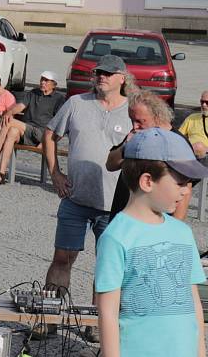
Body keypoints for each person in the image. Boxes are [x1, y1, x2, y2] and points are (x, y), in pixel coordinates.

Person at [39, 55, 134, 340]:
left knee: (106, 266)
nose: (100, 76)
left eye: (107, 73)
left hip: (114, 206)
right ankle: (49, 317)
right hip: (75, 198)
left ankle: (96, 324)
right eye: (97, 72)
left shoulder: (133, 111)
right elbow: (49, 135)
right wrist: (55, 173)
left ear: (122, 78)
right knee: (62, 257)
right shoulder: (76, 103)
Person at [95, 128, 206, 357]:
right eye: (180, 183)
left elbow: (193, 302)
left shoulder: (182, 232)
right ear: (147, 181)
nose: (187, 192)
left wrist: (201, 351)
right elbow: (107, 312)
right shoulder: (116, 237)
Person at [106, 90, 195, 222]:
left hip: (156, 222)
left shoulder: (177, 142)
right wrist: (125, 146)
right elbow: (110, 164)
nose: (134, 126)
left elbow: (185, 189)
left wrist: (176, 228)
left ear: (157, 116)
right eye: (132, 120)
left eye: (140, 121)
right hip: (124, 216)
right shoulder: (136, 135)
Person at [0, 71, 65, 184]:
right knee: (12, 132)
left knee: (9, 122)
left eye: (46, 80)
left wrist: (51, 141)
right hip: (26, 130)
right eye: (42, 79)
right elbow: (20, 107)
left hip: (41, 133)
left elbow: (61, 122)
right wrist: (10, 112)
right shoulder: (33, 93)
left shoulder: (58, 99)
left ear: (54, 84)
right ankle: (1, 174)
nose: (42, 82)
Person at [178, 89, 208, 159]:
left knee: (199, 146)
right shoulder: (192, 117)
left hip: (204, 155)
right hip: (189, 152)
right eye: (202, 102)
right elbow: (178, 136)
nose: (204, 105)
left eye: (207, 102)